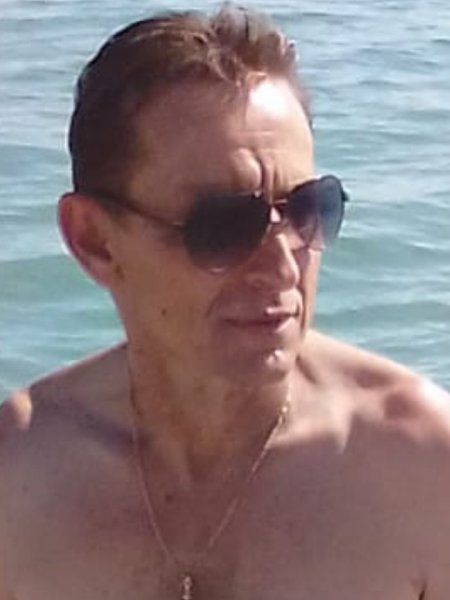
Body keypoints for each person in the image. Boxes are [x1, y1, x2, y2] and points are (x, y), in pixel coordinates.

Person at [1, 5, 450, 599]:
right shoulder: (19, 476)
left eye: (308, 210)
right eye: (224, 225)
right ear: (95, 241)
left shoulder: (420, 468)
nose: (284, 265)